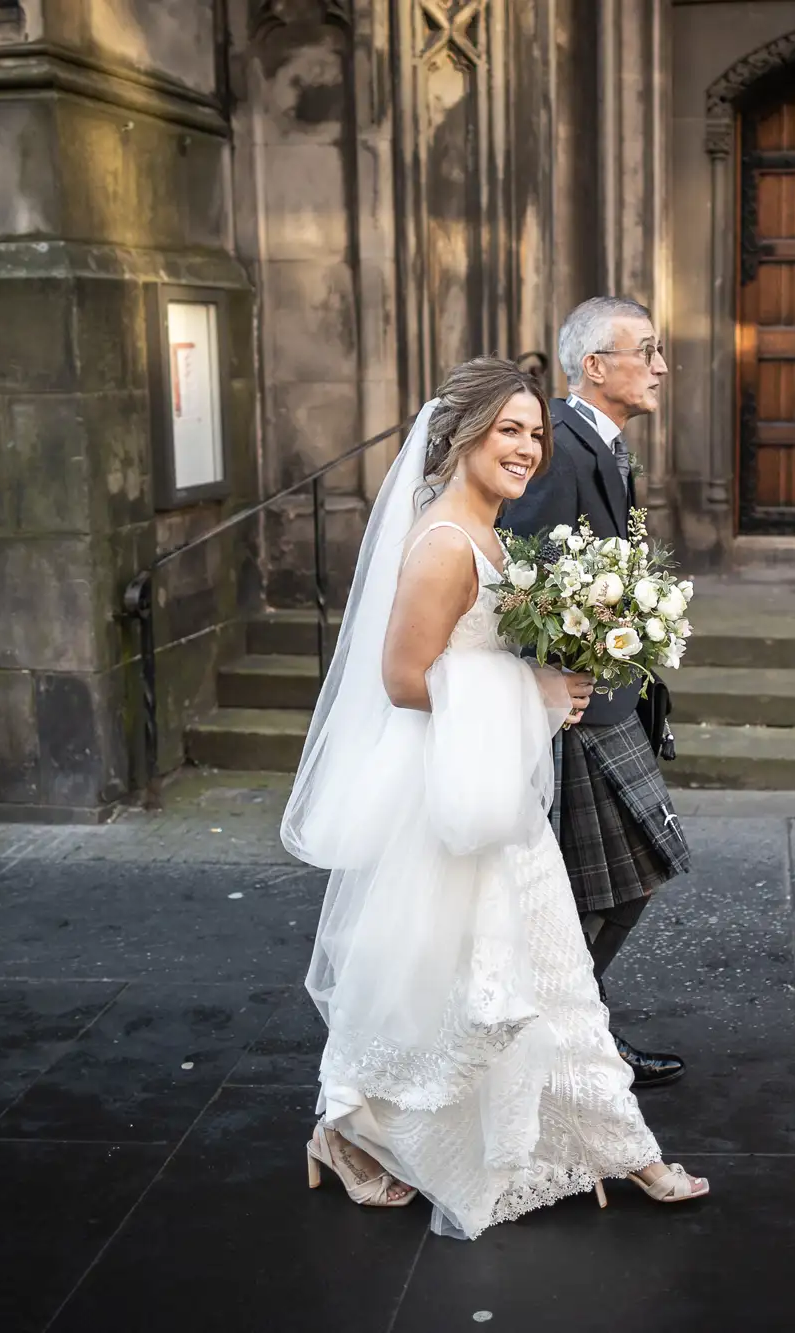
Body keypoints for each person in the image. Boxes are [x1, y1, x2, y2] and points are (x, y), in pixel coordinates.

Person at [279, 357, 708, 1239]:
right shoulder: (442, 543)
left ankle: (617, 1141)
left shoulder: (494, 535)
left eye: (534, 432)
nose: (527, 446)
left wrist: (551, 670)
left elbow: (475, 661)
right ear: (463, 435)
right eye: (508, 429)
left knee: (525, 975)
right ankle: (348, 1125)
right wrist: (535, 696)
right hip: (443, 794)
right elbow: (403, 680)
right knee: (433, 976)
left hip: (489, 785)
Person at [499, 297, 692, 1089]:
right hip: (576, 711)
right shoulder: (561, 448)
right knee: (613, 880)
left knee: (632, 873)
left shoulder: (602, 443)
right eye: (645, 350)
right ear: (593, 367)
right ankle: (564, 1035)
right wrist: (553, 678)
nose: (660, 365)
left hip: (610, 699)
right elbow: (522, 579)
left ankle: (575, 1026)